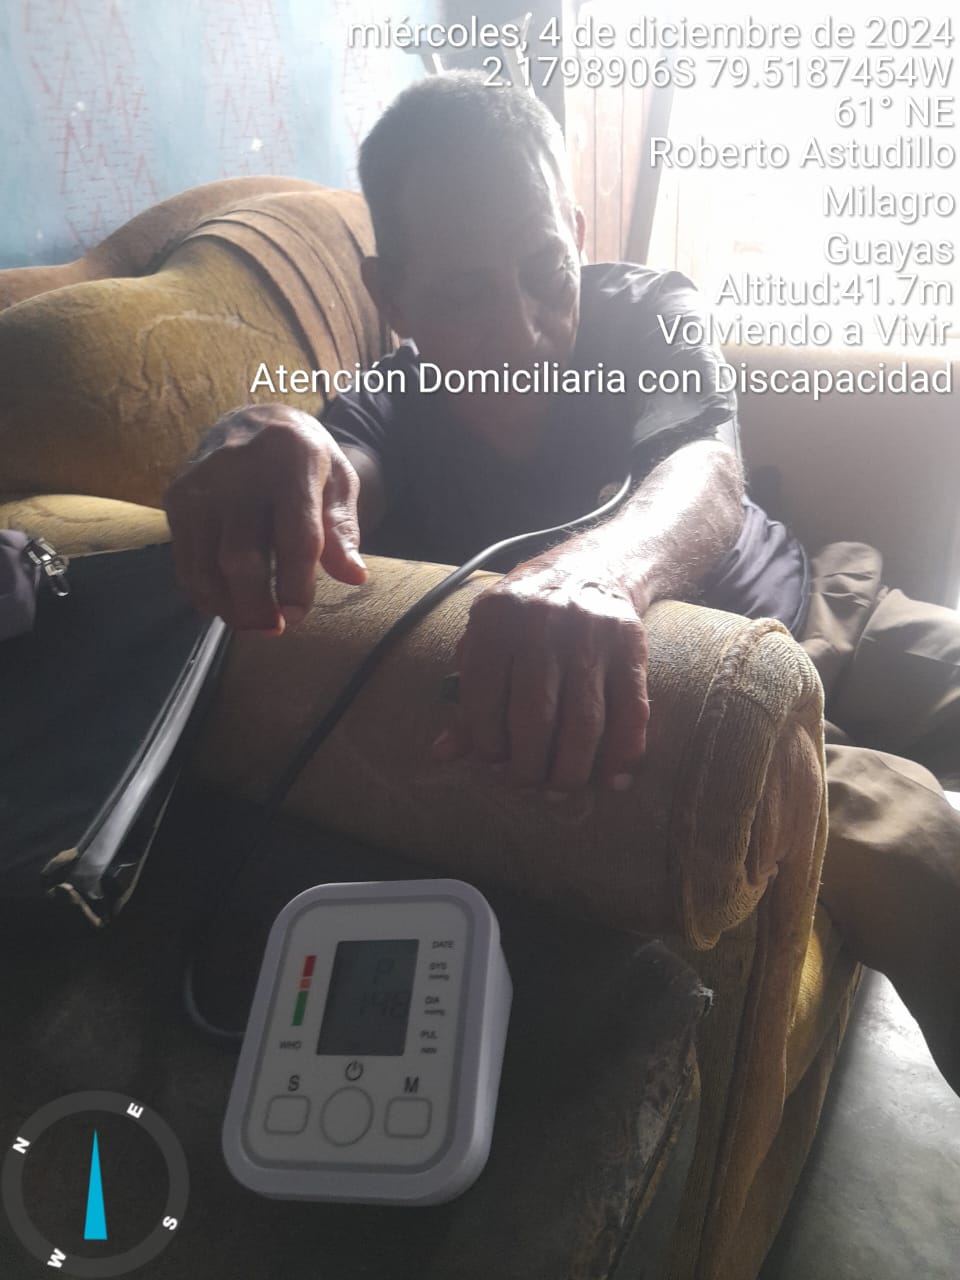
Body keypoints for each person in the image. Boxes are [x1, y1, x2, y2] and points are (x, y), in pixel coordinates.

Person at [164, 72, 960, 1093]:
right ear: (391, 296)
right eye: (465, 295)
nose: (525, 329)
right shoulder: (386, 409)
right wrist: (265, 441)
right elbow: (333, 482)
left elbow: (708, 472)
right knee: (919, 851)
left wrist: (596, 572)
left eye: (547, 270)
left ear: (576, 232)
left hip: (827, 605)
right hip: (717, 715)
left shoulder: (652, 308)